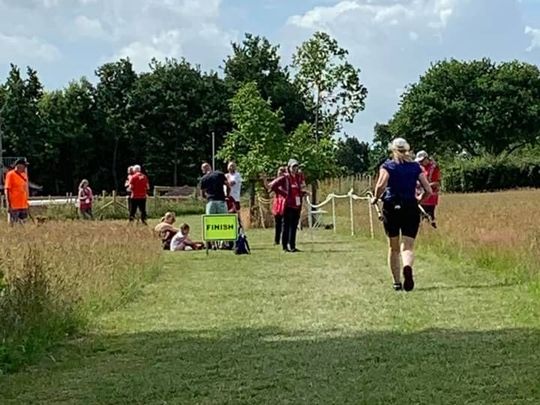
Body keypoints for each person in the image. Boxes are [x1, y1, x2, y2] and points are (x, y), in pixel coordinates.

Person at [371, 138, 432, 292]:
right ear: (408, 150)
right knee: (408, 246)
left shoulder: (388, 166)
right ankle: (407, 266)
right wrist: (419, 199)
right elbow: (428, 190)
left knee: (394, 247)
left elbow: (381, 184)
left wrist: (376, 197)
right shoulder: (415, 167)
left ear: (393, 150)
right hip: (410, 207)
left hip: (391, 207)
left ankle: (397, 282)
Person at [270, 159, 308, 253]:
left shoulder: (298, 178)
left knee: (294, 226)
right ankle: (284, 246)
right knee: (286, 226)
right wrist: (283, 193)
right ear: (289, 167)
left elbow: (299, 189)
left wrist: (303, 193)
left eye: (296, 166)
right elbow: (273, 186)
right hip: (288, 205)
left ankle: (292, 246)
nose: (295, 168)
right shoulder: (285, 177)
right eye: (293, 167)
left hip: (297, 205)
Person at [415, 150, 441, 227]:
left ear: (426, 158)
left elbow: (437, 183)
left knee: (429, 215)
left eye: (422, 160)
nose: (421, 162)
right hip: (419, 194)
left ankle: (431, 230)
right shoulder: (419, 167)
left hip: (430, 195)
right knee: (419, 216)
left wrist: (426, 186)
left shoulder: (434, 168)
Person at [5, 158, 30, 225]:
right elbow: (7, 190)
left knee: (24, 225)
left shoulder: (24, 175)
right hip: (14, 206)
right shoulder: (10, 175)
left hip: (23, 205)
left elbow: (24, 190)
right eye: (24, 166)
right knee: (14, 225)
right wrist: (9, 205)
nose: (25, 168)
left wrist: (27, 203)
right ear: (19, 166)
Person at [267, 166, 287, 245]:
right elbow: (268, 187)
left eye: (281, 172)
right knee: (277, 223)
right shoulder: (275, 182)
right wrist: (265, 179)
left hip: (284, 202)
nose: (280, 173)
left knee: (283, 222)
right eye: (279, 172)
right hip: (278, 202)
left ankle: (283, 239)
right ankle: (277, 240)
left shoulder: (285, 181)